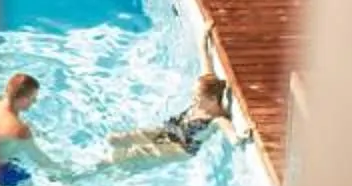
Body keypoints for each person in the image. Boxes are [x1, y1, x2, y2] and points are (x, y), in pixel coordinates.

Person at [106, 24, 252, 165]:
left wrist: (244, 134)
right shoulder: (208, 85)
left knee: (133, 154)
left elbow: (234, 139)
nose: (193, 99)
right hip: (170, 130)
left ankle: (99, 167)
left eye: (197, 97)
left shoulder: (217, 119)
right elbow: (205, 57)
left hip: (179, 148)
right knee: (116, 139)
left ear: (213, 100)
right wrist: (204, 36)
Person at [0, 70, 59, 186]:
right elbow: (41, 161)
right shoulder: (20, 129)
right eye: (33, 98)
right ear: (22, 99)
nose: (34, 102)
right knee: (36, 183)